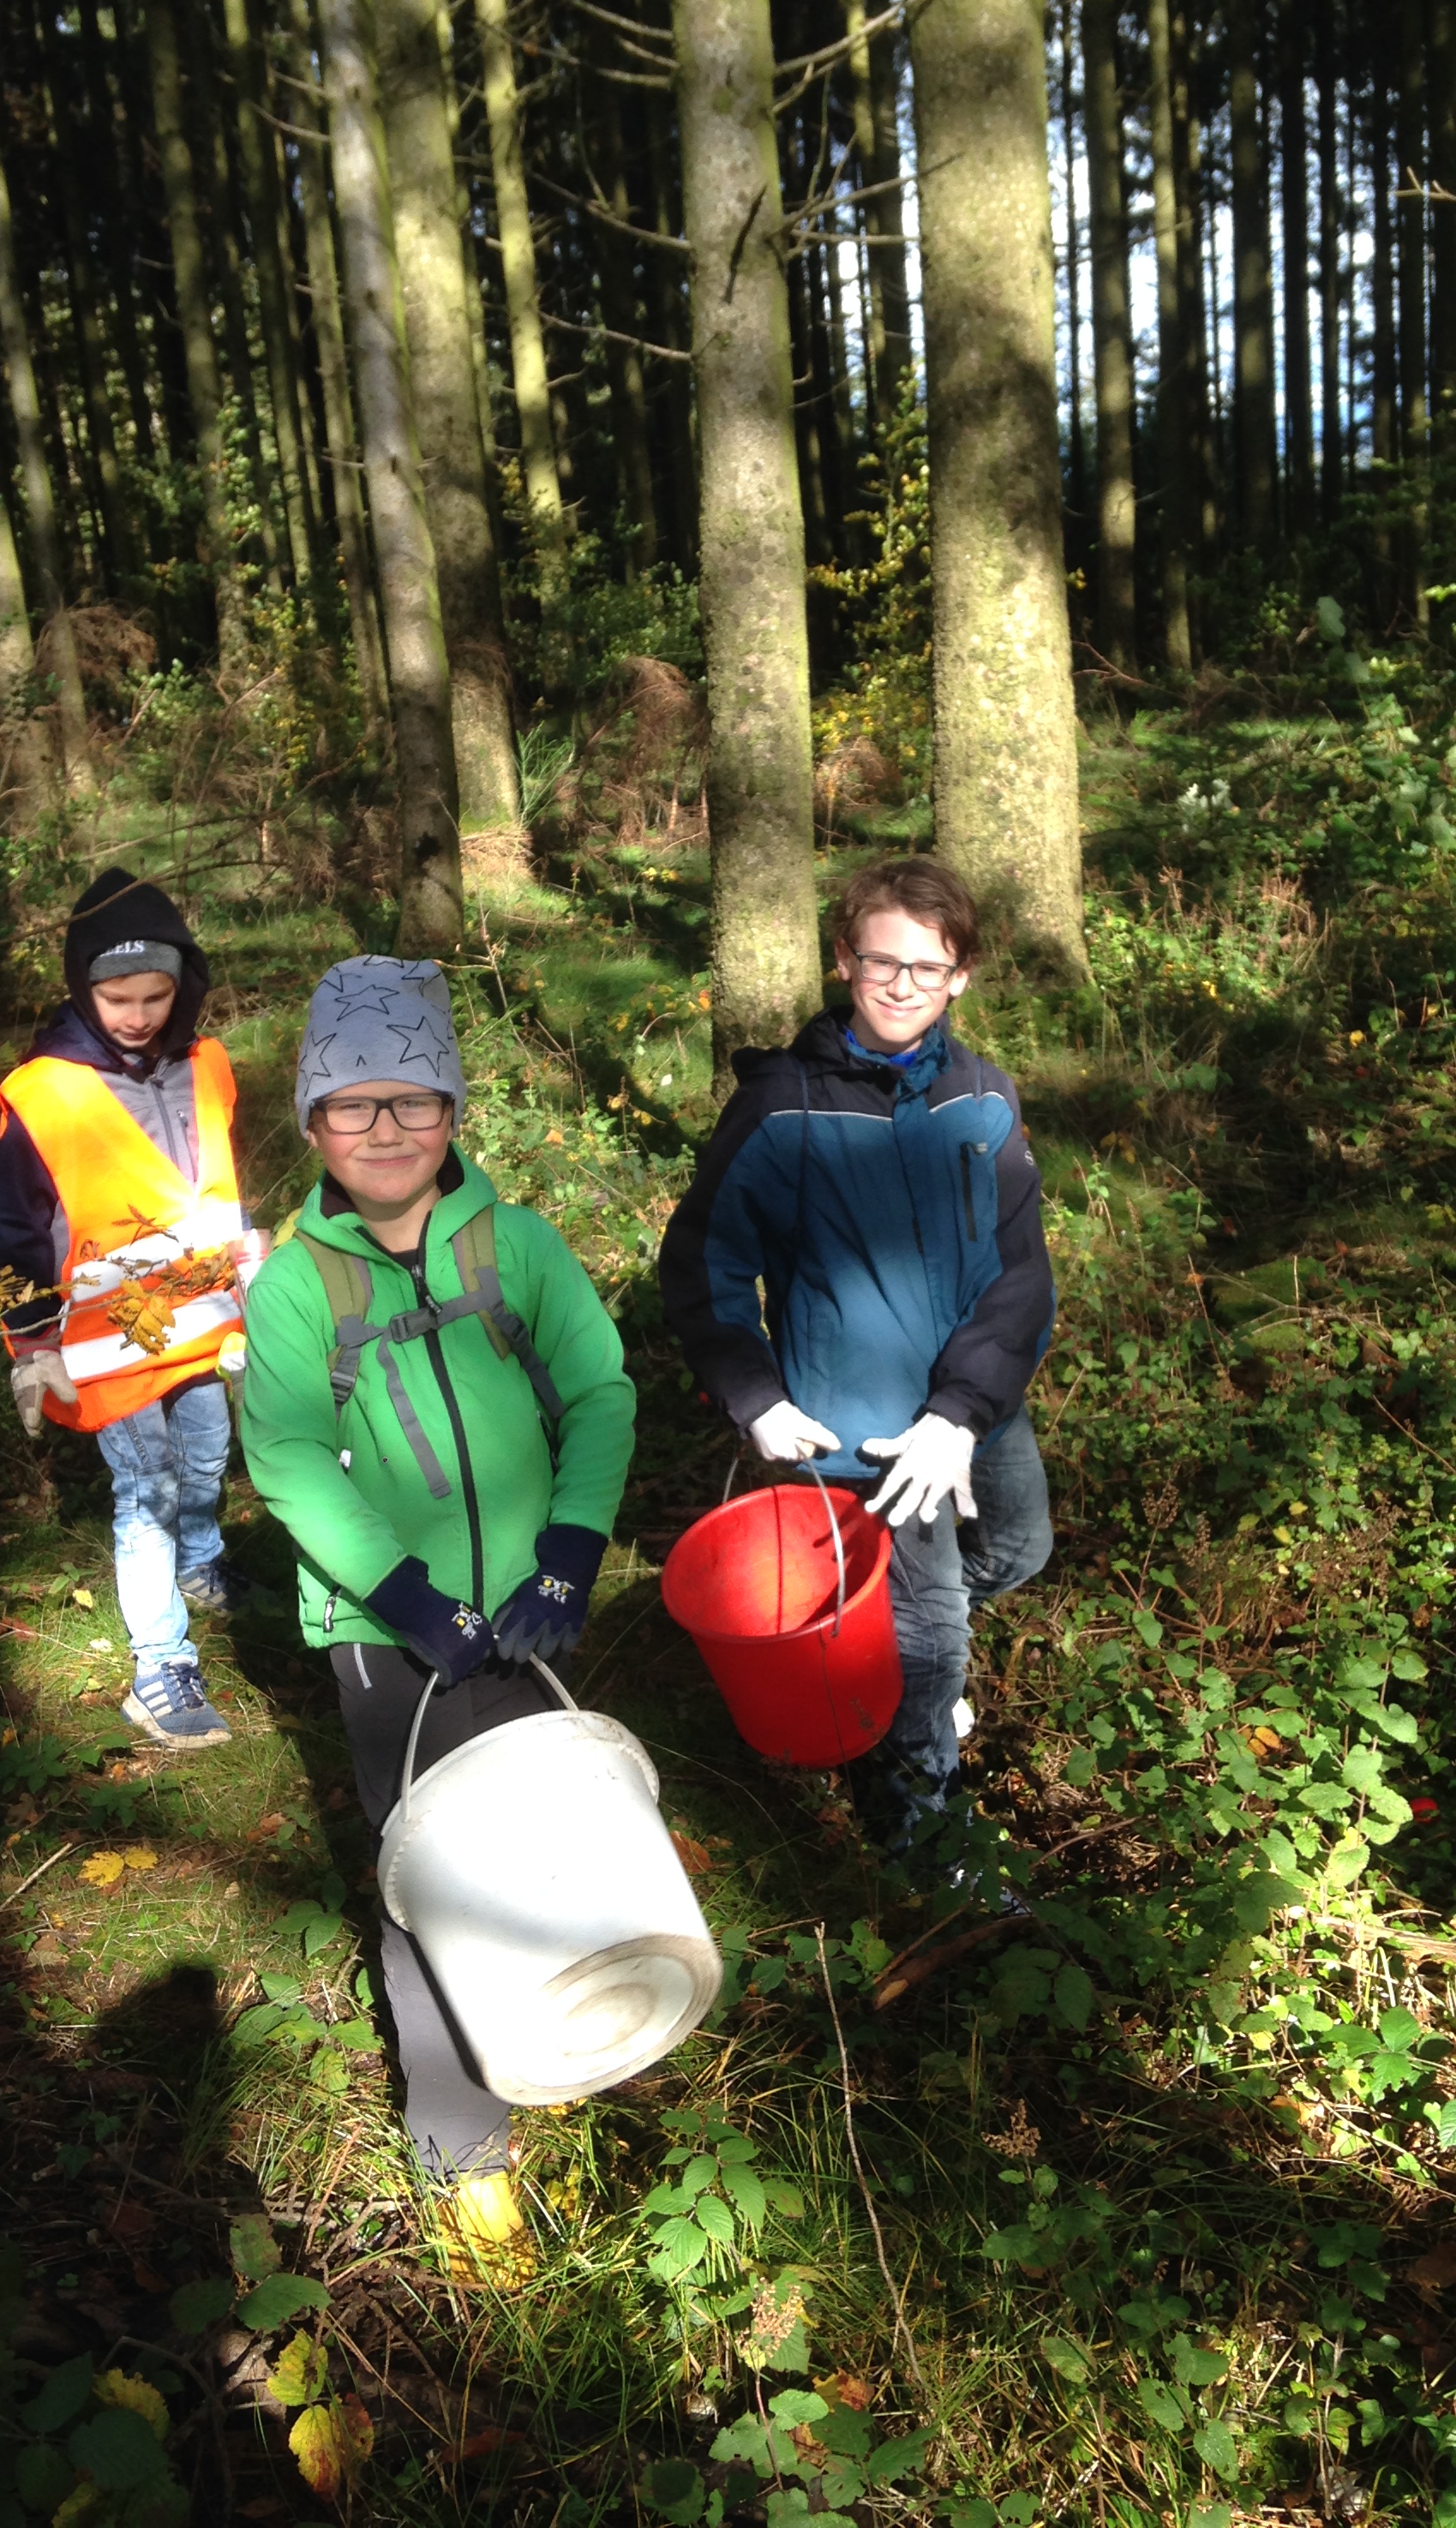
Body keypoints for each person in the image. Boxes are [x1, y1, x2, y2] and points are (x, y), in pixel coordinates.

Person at [239, 955, 636, 2267]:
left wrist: (569, 1559)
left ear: (454, 1113)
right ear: (313, 1127)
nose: (387, 1129)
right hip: (386, 1635)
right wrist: (408, 1603)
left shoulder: (514, 1246)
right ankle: (462, 2149)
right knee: (433, 1880)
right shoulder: (299, 1285)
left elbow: (602, 1394)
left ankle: (548, 2045)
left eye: (414, 1100)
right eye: (353, 1107)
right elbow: (290, 1458)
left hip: (531, 1610)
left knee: (551, 1841)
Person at [659, 856, 1055, 1878]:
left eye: (929, 966)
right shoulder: (780, 1109)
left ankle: (882, 1653)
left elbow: (1022, 1273)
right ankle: (920, 1820)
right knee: (927, 1630)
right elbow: (704, 1263)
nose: (902, 984)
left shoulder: (984, 1100)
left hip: (971, 1412)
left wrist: (966, 1409)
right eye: (882, 960)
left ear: (961, 975)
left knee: (1017, 1551)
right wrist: (752, 1395)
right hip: (864, 1430)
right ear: (844, 960)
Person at [0, 869, 251, 1752]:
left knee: (210, 1455)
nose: (136, 1014)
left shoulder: (205, 1064)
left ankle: (204, 1563)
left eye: (155, 995)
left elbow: (218, 1181)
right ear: (80, 988)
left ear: (183, 987)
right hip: (108, 1339)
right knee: (149, 1490)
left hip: (204, 1316)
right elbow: (16, 1226)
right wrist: (30, 1343)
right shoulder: (43, 1092)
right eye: (114, 996)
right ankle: (159, 1667)